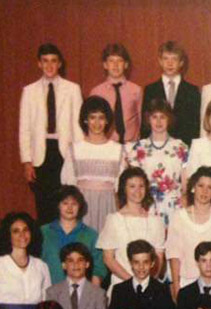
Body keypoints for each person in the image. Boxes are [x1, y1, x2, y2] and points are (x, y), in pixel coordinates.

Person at [19, 43, 83, 225]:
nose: (49, 66)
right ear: (39, 64)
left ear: (60, 64)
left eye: (53, 61)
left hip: (65, 153)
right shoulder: (29, 91)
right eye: (45, 61)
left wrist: (78, 158)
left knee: (66, 202)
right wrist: (27, 161)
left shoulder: (72, 89)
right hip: (41, 154)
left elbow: (78, 126)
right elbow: (24, 128)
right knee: (44, 205)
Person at [60, 95, 125, 232]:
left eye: (101, 117)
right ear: (85, 120)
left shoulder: (117, 149)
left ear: (107, 121)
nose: (97, 123)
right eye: (92, 117)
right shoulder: (75, 149)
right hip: (82, 207)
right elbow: (68, 184)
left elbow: (121, 186)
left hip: (109, 206)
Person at [166, 166, 211, 291]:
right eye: (200, 186)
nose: (205, 191)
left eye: (210, 187)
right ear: (193, 188)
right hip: (186, 284)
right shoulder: (178, 217)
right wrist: (176, 286)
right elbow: (174, 255)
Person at [97, 167, 166, 289]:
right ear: (124, 189)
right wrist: (132, 283)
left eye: (141, 186)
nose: (137, 191)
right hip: (122, 286)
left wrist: (148, 285)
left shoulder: (156, 221)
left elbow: (159, 258)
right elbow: (108, 258)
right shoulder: (114, 220)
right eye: (132, 186)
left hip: (149, 289)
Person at [126, 99, 190, 227]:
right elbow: (134, 182)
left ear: (169, 119)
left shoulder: (180, 146)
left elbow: (185, 182)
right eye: (154, 117)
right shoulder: (139, 148)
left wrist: (185, 200)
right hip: (147, 204)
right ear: (148, 120)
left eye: (163, 117)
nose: (159, 121)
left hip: (174, 205)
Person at [107, 240, 176, 309]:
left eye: (145, 262)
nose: (141, 267)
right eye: (136, 262)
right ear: (130, 263)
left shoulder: (162, 290)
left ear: (152, 263)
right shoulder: (119, 290)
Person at [44, 242, 107, 309]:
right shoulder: (52, 293)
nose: (76, 264)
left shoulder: (98, 294)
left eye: (80, 260)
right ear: (63, 265)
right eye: (70, 261)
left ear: (87, 264)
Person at [40, 186, 106, 285]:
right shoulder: (44, 232)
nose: (70, 208)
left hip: (81, 293)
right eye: (65, 203)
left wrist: (91, 293)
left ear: (80, 207)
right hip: (49, 291)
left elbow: (99, 267)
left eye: (74, 204)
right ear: (58, 205)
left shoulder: (91, 235)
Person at [139, 41, 201, 145]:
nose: (170, 63)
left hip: (185, 147)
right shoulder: (150, 90)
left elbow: (195, 126)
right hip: (156, 146)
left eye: (174, 59)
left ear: (181, 62)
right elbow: (145, 124)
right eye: (166, 58)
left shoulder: (192, 91)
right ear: (160, 61)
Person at [89, 43, 141, 144]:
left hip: (131, 144)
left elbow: (141, 120)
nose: (115, 65)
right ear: (105, 65)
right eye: (111, 61)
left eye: (119, 61)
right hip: (106, 144)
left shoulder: (136, 90)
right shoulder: (96, 92)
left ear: (126, 65)